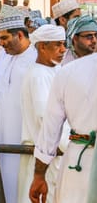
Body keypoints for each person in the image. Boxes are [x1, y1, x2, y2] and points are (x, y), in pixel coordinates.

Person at [29, 52, 97, 203]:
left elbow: (50, 129)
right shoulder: (67, 72)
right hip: (79, 163)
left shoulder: (69, 71)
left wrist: (39, 175)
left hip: (79, 163)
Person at [18, 24, 69, 203]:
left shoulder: (55, 69)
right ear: (42, 46)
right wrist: (70, 145)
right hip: (48, 157)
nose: (63, 49)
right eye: (57, 45)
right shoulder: (38, 76)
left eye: (64, 44)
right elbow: (47, 119)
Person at [0, 5, 37, 203]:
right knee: (2, 176)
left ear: (19, 34)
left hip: (24, 135)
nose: (0, 43)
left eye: (4, 38)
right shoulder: (3, 56)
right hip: (2, 131)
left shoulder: (36, 58)